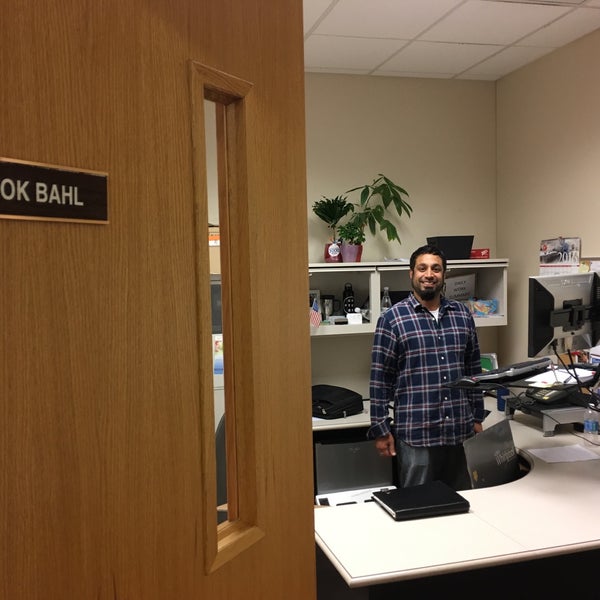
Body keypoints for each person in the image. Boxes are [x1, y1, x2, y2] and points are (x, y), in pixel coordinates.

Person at [368, 244, 485, 491]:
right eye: (422, 268)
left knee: (463, 502)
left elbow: (473, 369)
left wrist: (476, 417)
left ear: (444, 274)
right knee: (418, 504)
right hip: (416, 435)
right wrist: (381, 429)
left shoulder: (462, 315)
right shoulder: (392, 319)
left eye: (436, 269)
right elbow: (380, 379)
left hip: (459, 431)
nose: (429, 274)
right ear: (411, 274)